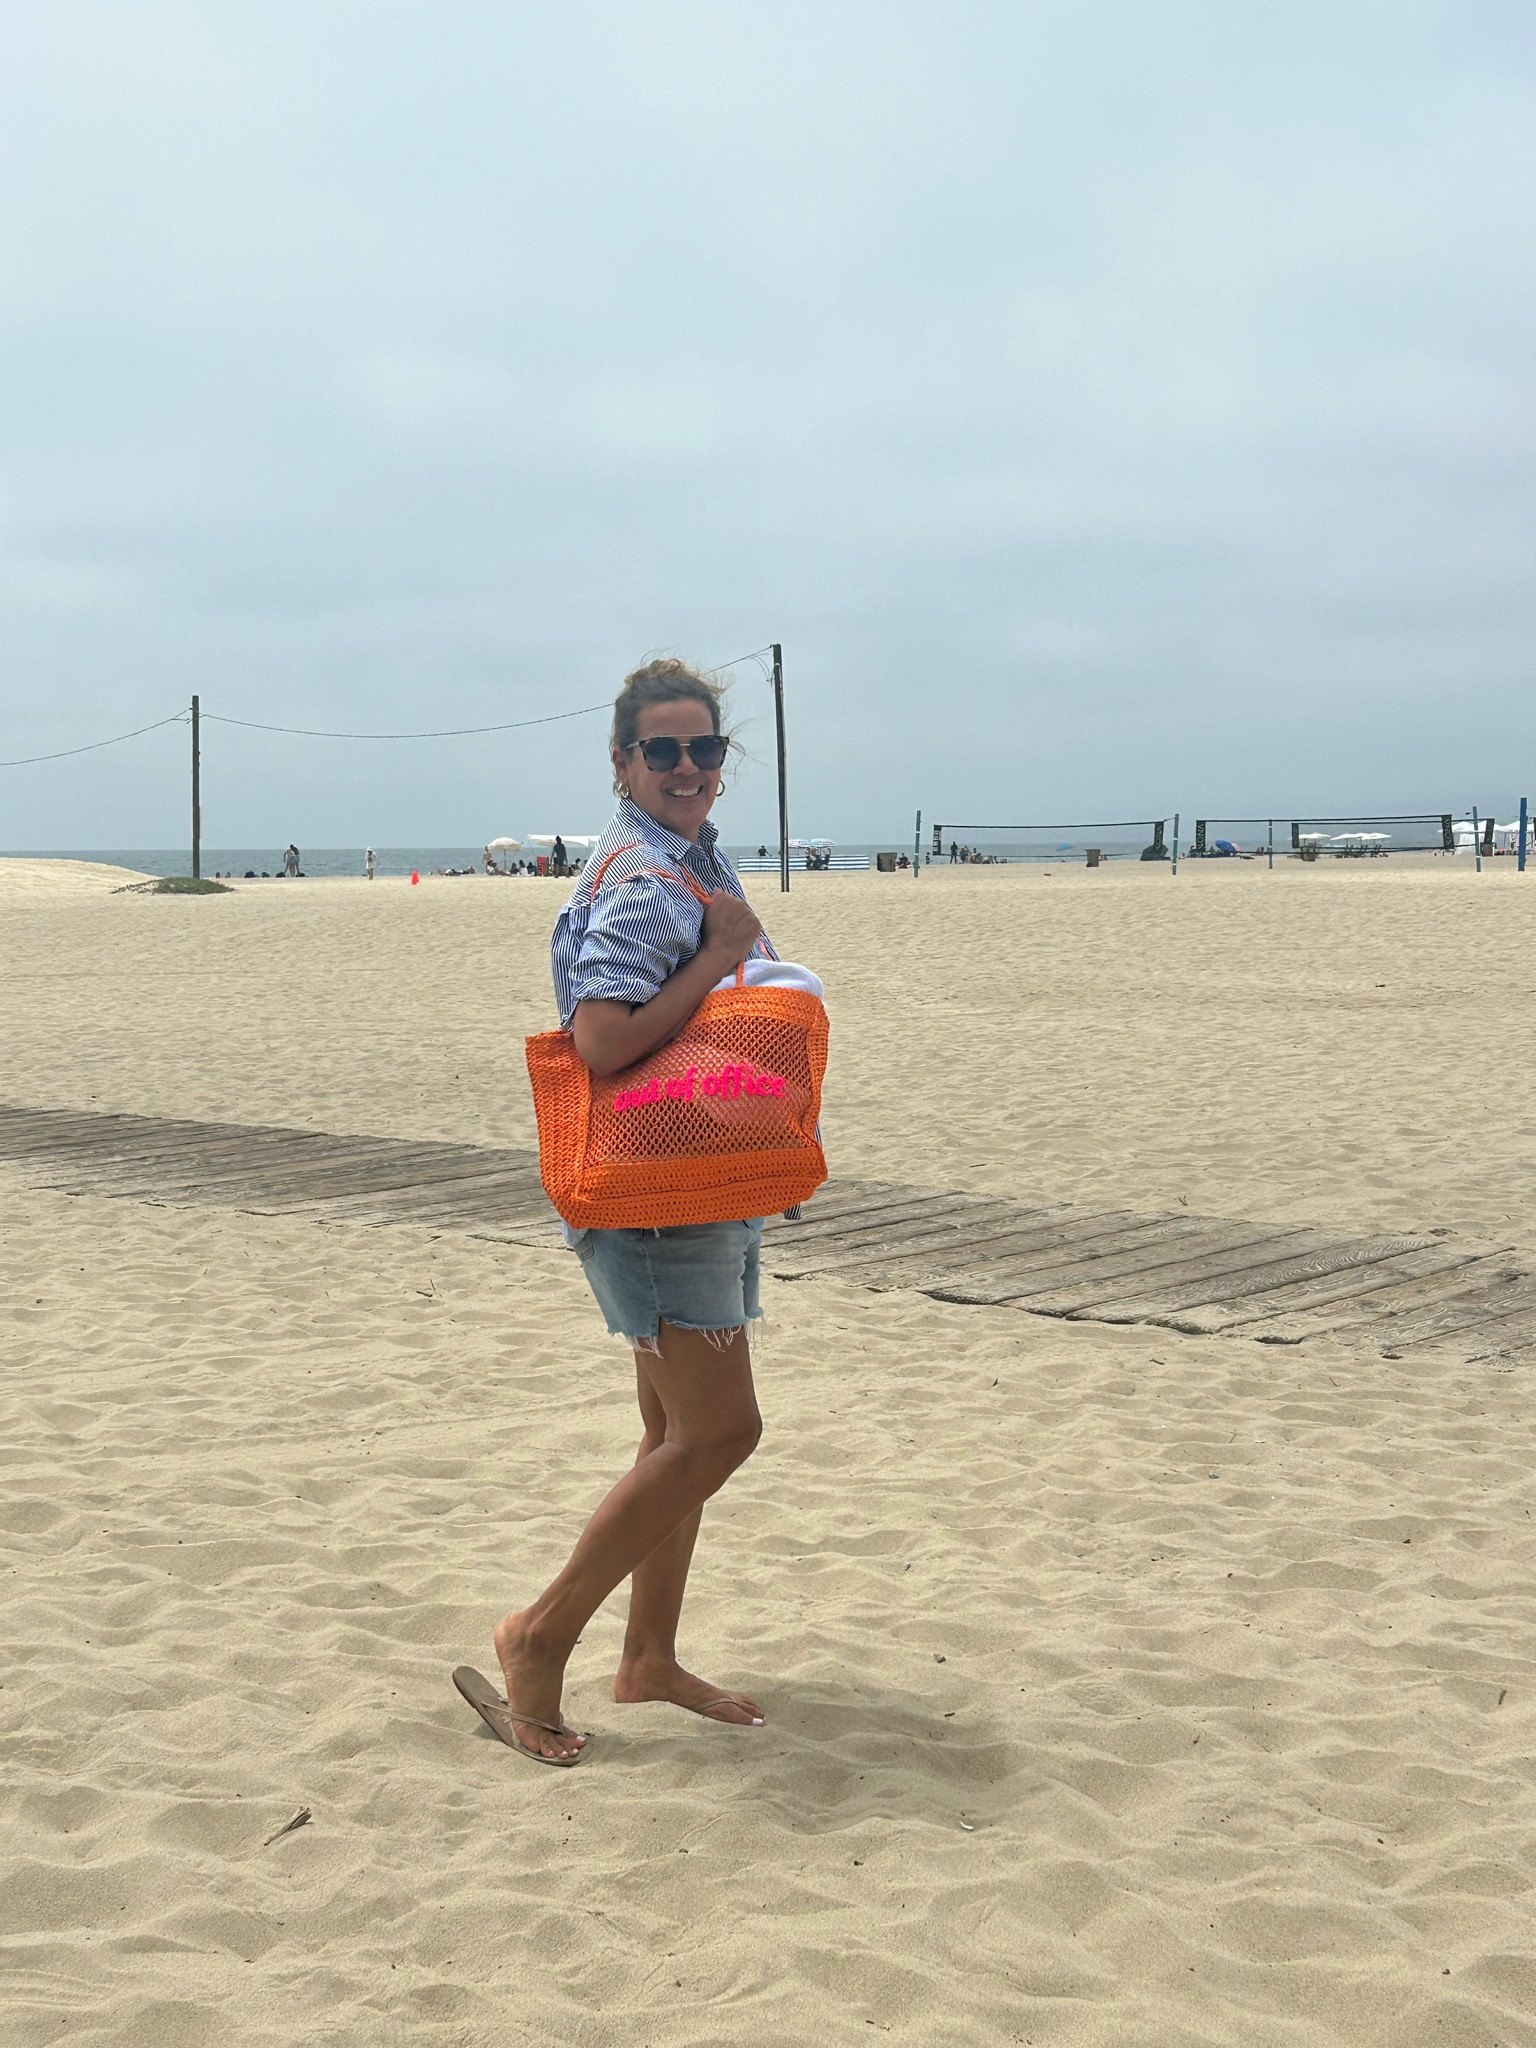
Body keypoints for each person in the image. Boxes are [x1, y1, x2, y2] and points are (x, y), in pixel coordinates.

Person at [474, 657, 791, 1764]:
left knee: (672, 1436)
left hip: (695, 1177)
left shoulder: (683, 855)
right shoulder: (647, 876)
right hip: (659, 1196)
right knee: (721, 1431)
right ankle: (538, 1635)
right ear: (623, 761)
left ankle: (648, 1657)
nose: (688, 765)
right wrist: (722, 954)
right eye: (664, 749)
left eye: (705, 747)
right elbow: (603, 1038)